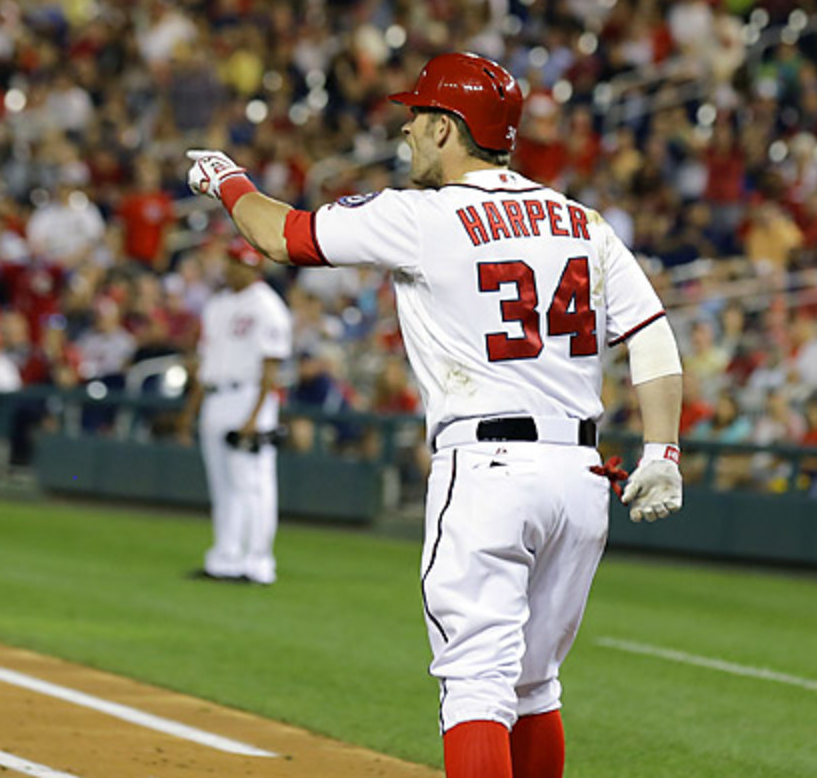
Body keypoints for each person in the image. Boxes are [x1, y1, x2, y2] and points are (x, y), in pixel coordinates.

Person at [186, 52, 684, 778]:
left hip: (488, 469)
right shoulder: (582, 222)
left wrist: (225, 180)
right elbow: (653, 333)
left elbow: (281, 237)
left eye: (418, 118)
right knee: (534, 685)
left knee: (476, 683)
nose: (409, 131)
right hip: (579, 478)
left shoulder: (422, 215)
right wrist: (663, 452)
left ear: (449, 128)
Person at [177, 240, 292, 586]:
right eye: (230, 261)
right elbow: (204, 362)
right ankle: (225, 558)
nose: (231, 268)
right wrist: (189, 413)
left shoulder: (268, 306)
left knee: (252, 484)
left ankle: (257, 563)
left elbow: (271, 367)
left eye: (239, 263)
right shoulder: (218, 304)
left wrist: (255, 417)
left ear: (255, 268)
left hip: (249, 396)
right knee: (224, 485)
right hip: (216, 397)